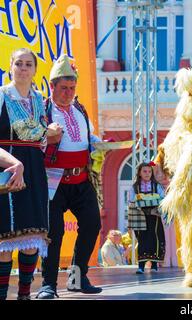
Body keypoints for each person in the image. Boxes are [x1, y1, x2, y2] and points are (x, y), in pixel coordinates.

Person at [37, 55, 102, 299]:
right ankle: (48, 285)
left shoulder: (80, 110)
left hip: (81, 180)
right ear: (52, 86)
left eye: (72, 88)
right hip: (53, 182)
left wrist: (101, 144)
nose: (68, 93)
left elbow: (87, 138)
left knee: (92, 224)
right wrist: (46, 136)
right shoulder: (42, 111)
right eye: (63, 88)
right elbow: (32, 143)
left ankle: (77, 279)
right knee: (54, 233)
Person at [0, 48, 62, 300]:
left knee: (32, 238)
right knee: (5, 241)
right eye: (19, 64)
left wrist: (51, 132)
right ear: (11, 67)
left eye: (28, 64)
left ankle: (24, 294)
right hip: (7, 168)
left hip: (35, 170)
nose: (23, 68)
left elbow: (41, 141)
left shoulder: (39, 100)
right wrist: (14, 162)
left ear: (36, 70)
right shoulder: (2, 97)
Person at [128, 161, 165, 274]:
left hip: (154, 217)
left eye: (149, 171)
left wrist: (157, 209)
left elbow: (163, 198)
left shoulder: (156, 186)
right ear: (139, 173)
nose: (147, 173)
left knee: (154, 239)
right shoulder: (135, 187)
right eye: (144, 171)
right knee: (142, 240)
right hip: (140, 216)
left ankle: (154, 265)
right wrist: (144, 203)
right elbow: (131, 200)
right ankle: (141, 266)